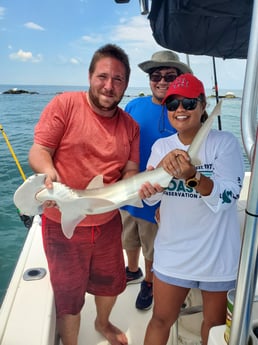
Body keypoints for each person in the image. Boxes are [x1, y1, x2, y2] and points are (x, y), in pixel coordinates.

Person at [28, 43, 155, 345]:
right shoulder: (65, 105)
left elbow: (131, 169)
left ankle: (103, 323)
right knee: (69, 297)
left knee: (112, 285)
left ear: (126, 84)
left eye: (118, 79)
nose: (109, 86)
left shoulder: (130, 126)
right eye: (103, 76)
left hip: (107, 219)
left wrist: (137, 186)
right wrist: (48, 171)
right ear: (89, 76)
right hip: (63, 223)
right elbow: (40, 150)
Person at [143, 73, 244, 345]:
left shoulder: (224, 143)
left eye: (188, 103)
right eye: (173, 104)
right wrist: (153, 189)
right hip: (173, 254)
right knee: (160, 320)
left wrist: (193, 176)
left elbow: (228, 197)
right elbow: (150, 200)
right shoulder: (161, 147)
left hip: (217, 255)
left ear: (202, 106)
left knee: (214, 326)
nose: (180, 110)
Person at [120, 50, 193, 310]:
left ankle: (149, 281)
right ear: (149, 79)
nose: (162, 81)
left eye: (169, 76)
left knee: (152, 244)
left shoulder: (184, 111)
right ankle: (132, 270)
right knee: (128, 237)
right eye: (156, 76)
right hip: (129, 188)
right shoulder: (134, 106)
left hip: (162, 191)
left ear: (179, 78)